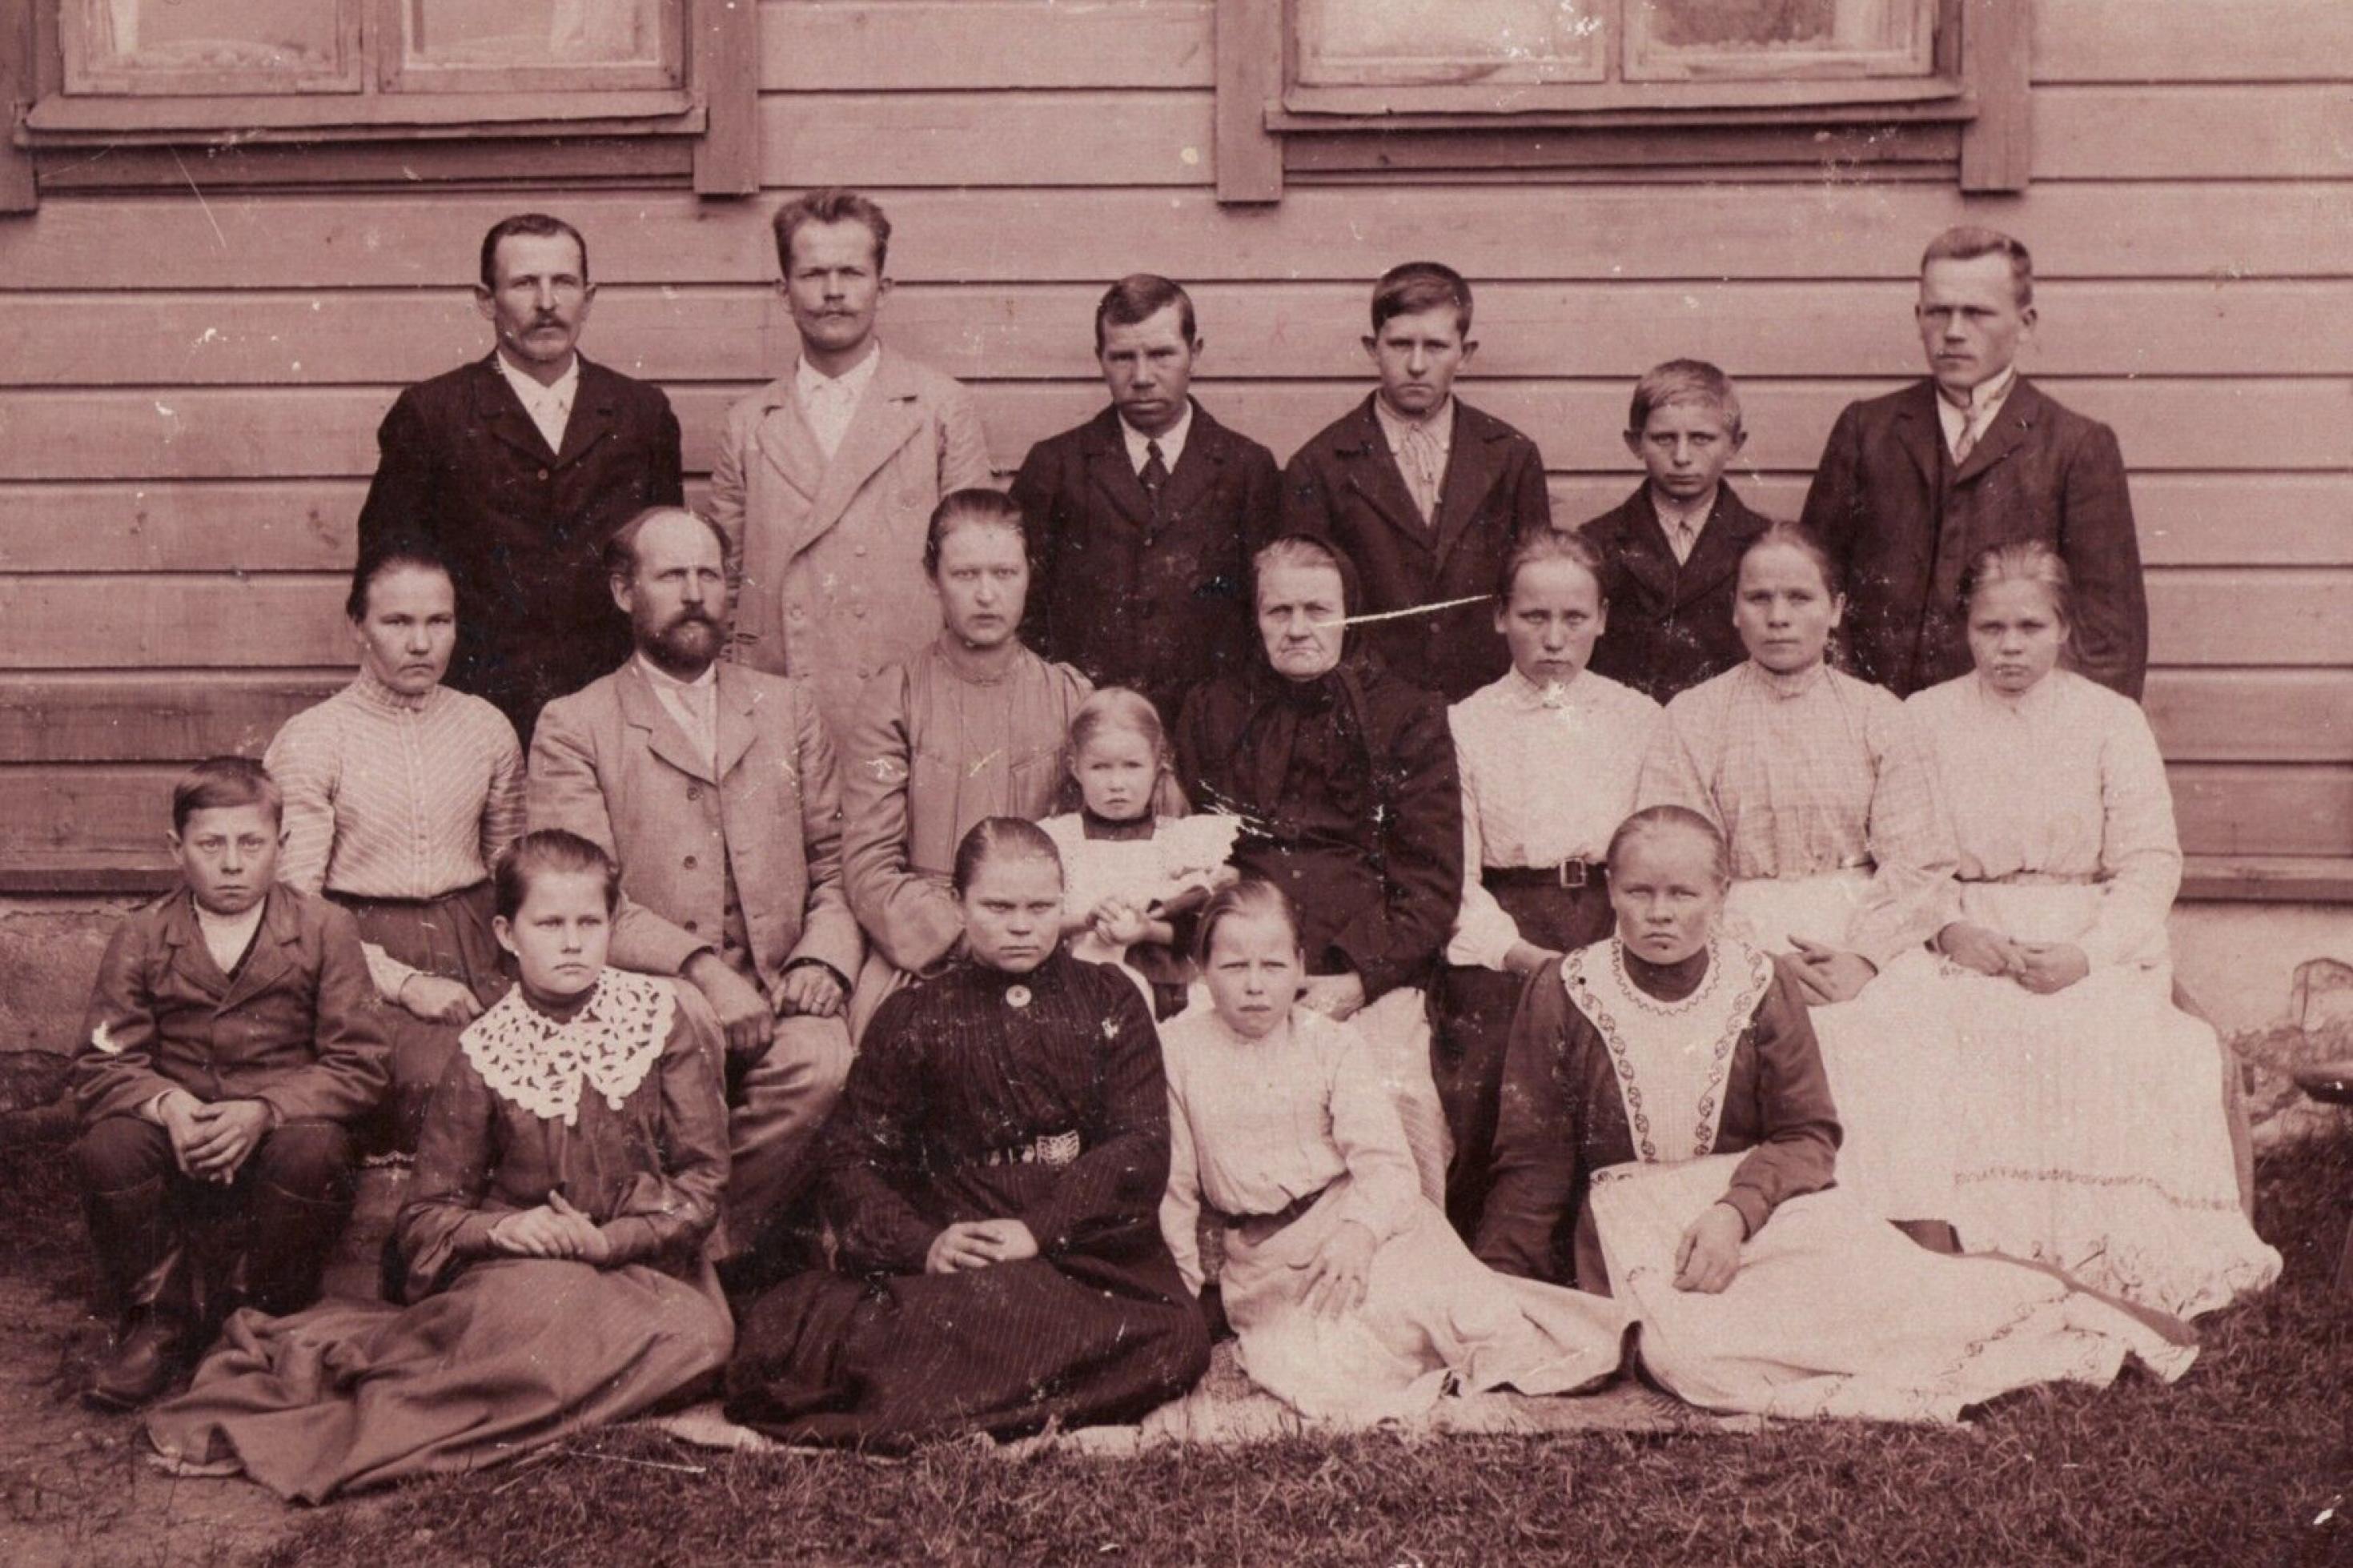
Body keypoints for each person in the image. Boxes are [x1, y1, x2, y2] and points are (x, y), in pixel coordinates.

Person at [1475, 807, 2196, 1423]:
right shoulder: (1565, 986)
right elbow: (1532, 1156)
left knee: (1896, 1304)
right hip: (1635, 1225)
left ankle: (2048, 1303)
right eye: (1638, 891)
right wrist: (1498, 1288)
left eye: (1682, 893)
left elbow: (1806, 1134)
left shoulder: (1758, 982)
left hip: (1758, 1206)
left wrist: (1735, 1212)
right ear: (1610, 891)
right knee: (1695, 1357)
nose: (1659, 913)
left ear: (1720, 895)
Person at [144, 832, 734, 1501]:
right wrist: (505, 1232)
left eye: (588, 922)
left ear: (609, 925)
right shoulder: (485, 1049)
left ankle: (513, 1388)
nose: (572, 942)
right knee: (543, 1323)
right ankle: (445, 1404)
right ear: (508, 935)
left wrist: (609, 1239)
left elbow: (701, 1184)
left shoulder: (660, 1019)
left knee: (699, 1335)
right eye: (550, 923)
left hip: (646, 1264)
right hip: (528, 1270)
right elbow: (427, 1216)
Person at [724, 819, 1211, 1450]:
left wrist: (1038, 1229)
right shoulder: (914, 1012)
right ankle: (999, 1394)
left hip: (1074, 1255)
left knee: (1175, 1338)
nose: (1020, 925)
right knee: (795, 1338)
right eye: (997, 906)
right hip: (958, 1255)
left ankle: (936, 1404)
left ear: (1064, 902)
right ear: (958, 905)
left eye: (1040, 907)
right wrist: (924, 1244)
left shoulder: (1109, 998)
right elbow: (850, 1158)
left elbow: (1139, 1144)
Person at [1908, 542, 2281, 1316]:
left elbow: (2149, 862)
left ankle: (2110, 1252)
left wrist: (2087, 955)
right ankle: (1987, 1254)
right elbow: (1901, 853)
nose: (2009, 647)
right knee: (1953, 1036)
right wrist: (1949, 930)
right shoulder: (1923, 719)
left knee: (2139, 1044)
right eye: (1989, 628)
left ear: (2064, 629)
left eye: (2030, 626)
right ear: (1963, 630)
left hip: (2086, 933)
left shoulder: (2110, 720)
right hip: (1971, 934)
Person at [527, 507, 860, 1269]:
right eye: (671, 576)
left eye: (709, 575)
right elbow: (581, 896)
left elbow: (836, 862)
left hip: (777, 982)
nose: (694, 594)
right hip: (652, 990)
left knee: (823, 1062)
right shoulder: (575, 724)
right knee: (688, 1028)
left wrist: (821, 960)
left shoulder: (785, 708)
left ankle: (693, 1248)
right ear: (623, 592)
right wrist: (701, 970)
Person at [1161, 880, 1621, 1423]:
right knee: (1331, 1370)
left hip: (1358, 1223)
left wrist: (1359, 1232)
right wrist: (1181, 1298)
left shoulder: (1328, 1041)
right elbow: (1176, 1188)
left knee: (1476, 1323)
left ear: (1300, 964)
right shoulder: (1177, 1049)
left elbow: (1384, 1162)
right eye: (1234, 967)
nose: (1256, 986)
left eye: (1274, 965)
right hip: (1269, 1260)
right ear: (1202, 968)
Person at [1636, 522, 1962, 1230]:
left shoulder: (1879, 715)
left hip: (1858, 924)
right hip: (1736, 932)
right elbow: (1672, 852)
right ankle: (1780, 1234)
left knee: (1895, 1023)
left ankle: (1907, 1228)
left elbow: (1918, 861)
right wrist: (1753, 959)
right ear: (1733, 610)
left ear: (1836, 608)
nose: (1778, 616)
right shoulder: (1692, 719)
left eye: (1798, 597)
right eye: (1758, 598)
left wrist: (1864, 959)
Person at [71, 759, 388, 1410]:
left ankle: (257, 1317)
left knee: (315, 1151)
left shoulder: (325, 929)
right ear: (176, 848)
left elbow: (359, 1063)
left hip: (282, 1133)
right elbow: (102, 1062)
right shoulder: (143, 934)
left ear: (282, 846)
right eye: (210, 845)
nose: (233, 864)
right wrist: (169, 1105)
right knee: (108, 1146)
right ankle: (160, 1321)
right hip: (180, 1135)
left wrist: (266, 1109)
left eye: (252, 844)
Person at [1175, 535, 1461, 1203]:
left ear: (1351, 612)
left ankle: (1397, 1262)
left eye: (1317, 609)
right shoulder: (1213, 710)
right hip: (1238, 962)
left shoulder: (1405, 712)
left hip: (1363, 966)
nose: (1298, 629)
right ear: (1255, 617)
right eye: (1278, 612)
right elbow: (1193, 853)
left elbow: (1430, 877)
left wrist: (1359, 976)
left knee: (1400, 1095)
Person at [357, 213, 685, 744]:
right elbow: (389, 568)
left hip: (614, 707)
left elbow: (667, 568)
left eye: (564, 283)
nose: (547, 302)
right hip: (469, 706)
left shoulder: (640, 414)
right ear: (486, 300)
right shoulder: (432, 414)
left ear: (589, 296)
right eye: (524, 283)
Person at [1799, 226, 2149, 700]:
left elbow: (2110, 637)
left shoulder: (2077, 445)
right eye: (1939, 312)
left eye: (1978, 313)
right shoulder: (1867, 431)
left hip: (2009, 732)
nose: (1955, 332)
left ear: (2026, 323)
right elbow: (1811, 589)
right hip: (1874, 723)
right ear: (1918, 315)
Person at [709, 187, 994, 741]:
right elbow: (726, 584)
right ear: (782, 290)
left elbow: (975, 564)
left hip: (911, 697)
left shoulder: (937, 407)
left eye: (852, 273)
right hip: (783, 700)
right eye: (813, 274)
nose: (833, 292)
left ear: (882, 288)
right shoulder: (748, 423)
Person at [1438, 530, 1661, 1237]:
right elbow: (1454, 871)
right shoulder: (1464, 724)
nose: (1555, 639)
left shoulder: (1640, 718)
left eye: (1574, 618)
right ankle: (1499, 1256)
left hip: (1616, 917)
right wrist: (1520, 956)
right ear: (1500, 616)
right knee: (1494, 1078)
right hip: (1506, 931)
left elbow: (1658, 850)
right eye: (1535, 617)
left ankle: (1617, 1252)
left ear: (1602, 618)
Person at [264, 543, 522, 1151]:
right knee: (447, 1076)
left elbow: (510, 869)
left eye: (439, 621)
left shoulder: (486, 727)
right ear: (358, 626)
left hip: (481, 944)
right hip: (359, 953)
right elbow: (296, 905)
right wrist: (405, 985)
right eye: (397, 622)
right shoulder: (314, 739)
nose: (421, 643)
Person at [839, 489, 1092, 1041]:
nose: (985, 595)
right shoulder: (896, 695)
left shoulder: (1070, 696)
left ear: (1029, 574)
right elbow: (869, 865)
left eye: (1003, 573)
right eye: (964, 574)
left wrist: (1029, 928)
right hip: (924, 953)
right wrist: (967, 935)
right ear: (933, 577)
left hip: (1048, 943)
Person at [1011, 275, 1283, 725]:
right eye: (1122, 357)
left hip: (1214, 729)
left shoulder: (1246, 468)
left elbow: (1265, 614)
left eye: (1161, 355)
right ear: (1100, 358)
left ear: (1194, 353)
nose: (1141, 377)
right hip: (1085, 723)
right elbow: (1024, 610)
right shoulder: (1055, 466)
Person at [1280, 262, 1552, 702]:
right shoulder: (1320, 464)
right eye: (1401, 344)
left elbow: (1539, 589)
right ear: (1373, 348)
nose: (1417, 364)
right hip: (1366, 703)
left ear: (1466, 353)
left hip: (1489, 698)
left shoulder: (1510, 456)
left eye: (1437, 346)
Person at [1580, 360, 1774, 704]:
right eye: (1664, 438)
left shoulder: (1766, 543)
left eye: (1701, 439)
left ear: (1735, 444)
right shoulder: (1596, 543)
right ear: (1635, 443)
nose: (1682, 457)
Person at [1038, 687, 1239, 1017]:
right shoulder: (1059, 840)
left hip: (1160, 1000)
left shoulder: (1181, 842)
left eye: (1132, 766)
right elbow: (1036, 922)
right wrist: (1086, 921)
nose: (1117, 783)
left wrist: (1146, 930)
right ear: (1076, 768)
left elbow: (1203, 935)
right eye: (1100, 768)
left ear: (1158, 765)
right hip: (1075, 994)